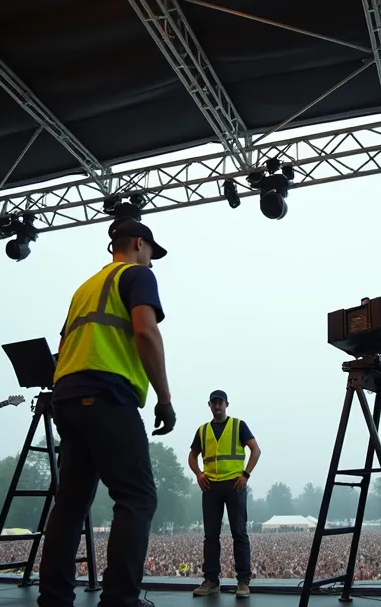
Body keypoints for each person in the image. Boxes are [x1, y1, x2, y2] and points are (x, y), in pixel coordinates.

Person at [39, 219, 177, 607]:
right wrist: (164, 399)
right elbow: (146, 333)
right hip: (108, 395)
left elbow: (64, 344)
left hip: (67, 398)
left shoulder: (84, 288)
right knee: (137, 498)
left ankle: (53, 598)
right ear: (138, 243)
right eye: (151, 252)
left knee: (70, 503)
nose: (152, 262)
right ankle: (120, 600)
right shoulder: (137, 276)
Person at [188, 390, 261, 598]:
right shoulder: (202, 431)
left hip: (234, 485)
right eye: (213, 403)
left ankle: (243, 582)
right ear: (209, 405)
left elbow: (255, 450)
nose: (217, 406)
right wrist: (198, 474)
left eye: (220, 402)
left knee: (239, 533)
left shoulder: (238, 425)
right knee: (210, 535)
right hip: (210, 486)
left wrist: (246, 474)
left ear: (227, 404)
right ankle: (211, 580)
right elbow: (192, 456)